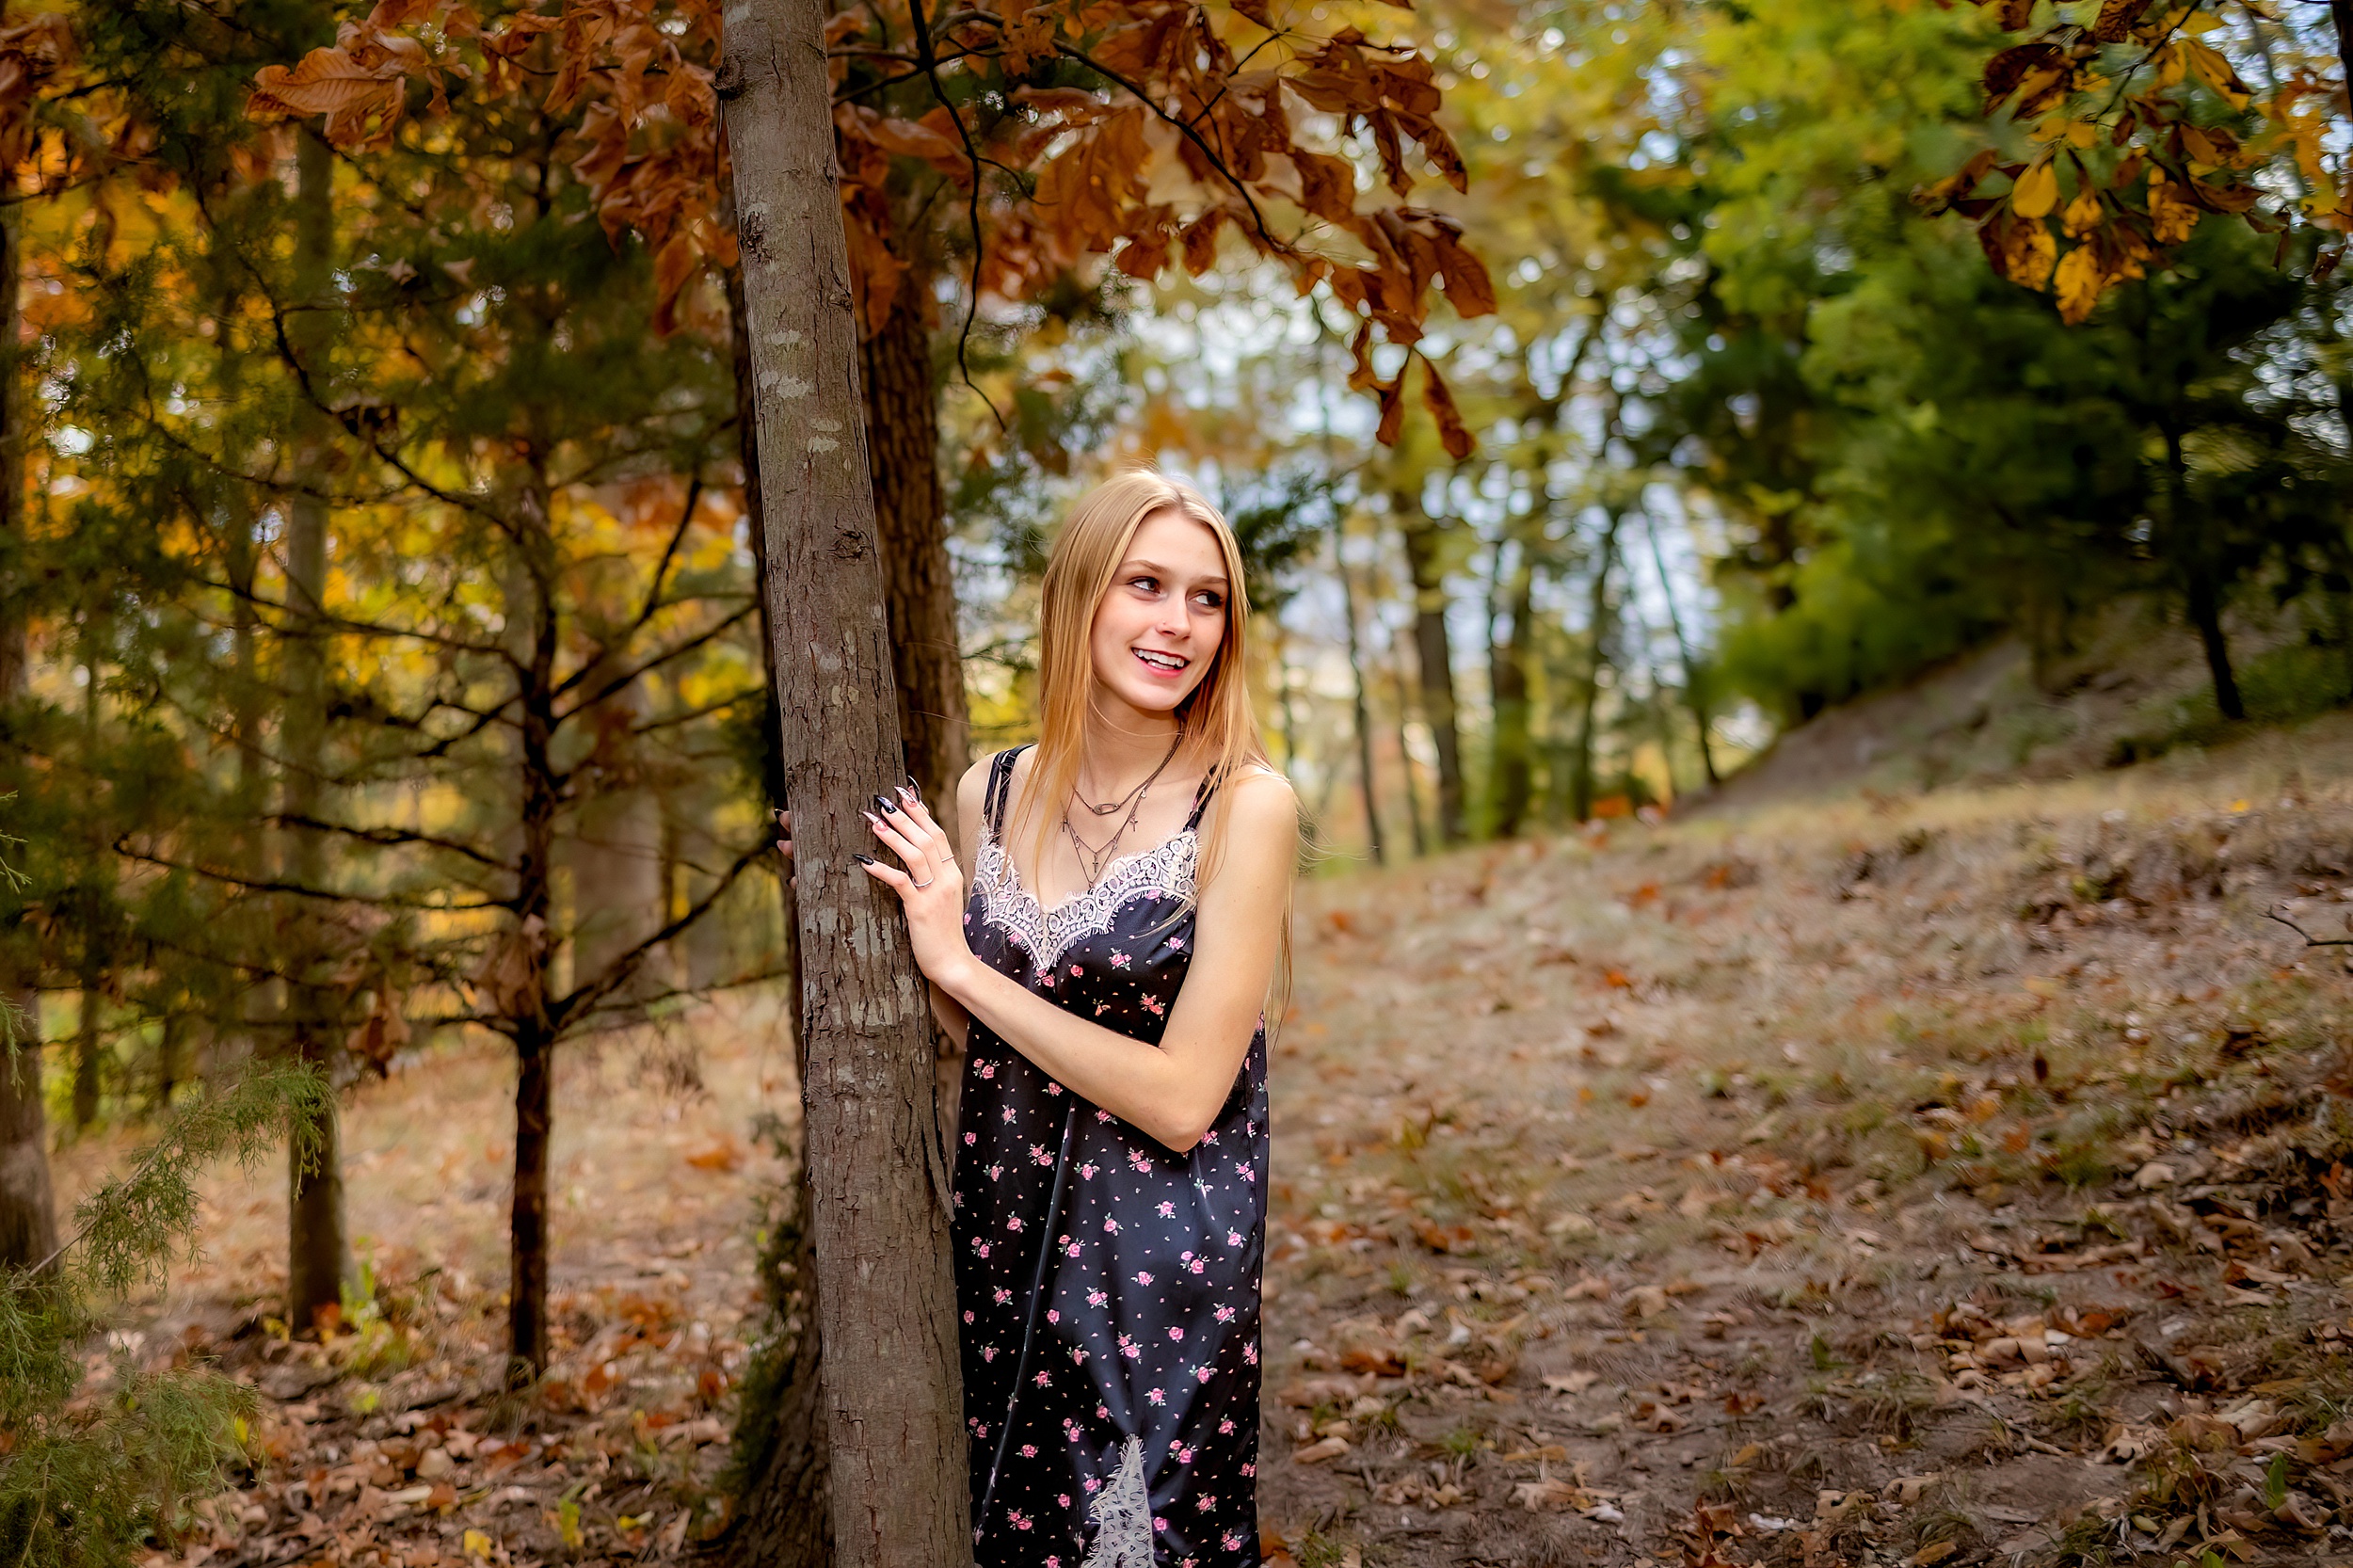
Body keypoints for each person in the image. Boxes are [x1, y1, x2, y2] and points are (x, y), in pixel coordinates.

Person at [778, 468, 1298, 1567]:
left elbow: (1181, 1097)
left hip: (1161, 1271)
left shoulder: (1245, 807)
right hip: (1004, 1246)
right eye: (1145, 583)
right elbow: (989, 1047)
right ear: (1078, 598)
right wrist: (855, 891)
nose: (1178, 622)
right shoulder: (989, 793)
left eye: (1208, 598)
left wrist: (960, 966)